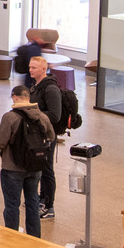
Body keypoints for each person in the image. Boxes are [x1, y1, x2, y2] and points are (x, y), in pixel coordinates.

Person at [0, 86, 55, 237]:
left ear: (14, 97)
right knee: (33, 202)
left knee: (12, 205)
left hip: (12, 168)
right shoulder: (42, 117)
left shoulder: (10, 117)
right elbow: (51, 137)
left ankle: (12, 238)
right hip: (35, 167)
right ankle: (34, 238)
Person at [24, 56, 77, 220]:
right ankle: (41, 199)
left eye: (34, 67)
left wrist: (33, 114)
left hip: (47, 135)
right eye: (30, 67)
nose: (31, 70)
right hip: (37, 134)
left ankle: (49, 206)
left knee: (47, 170)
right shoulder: (37, 86)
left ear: (43, 69)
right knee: (39, 167)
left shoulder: (50, 89)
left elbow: (55, 115)